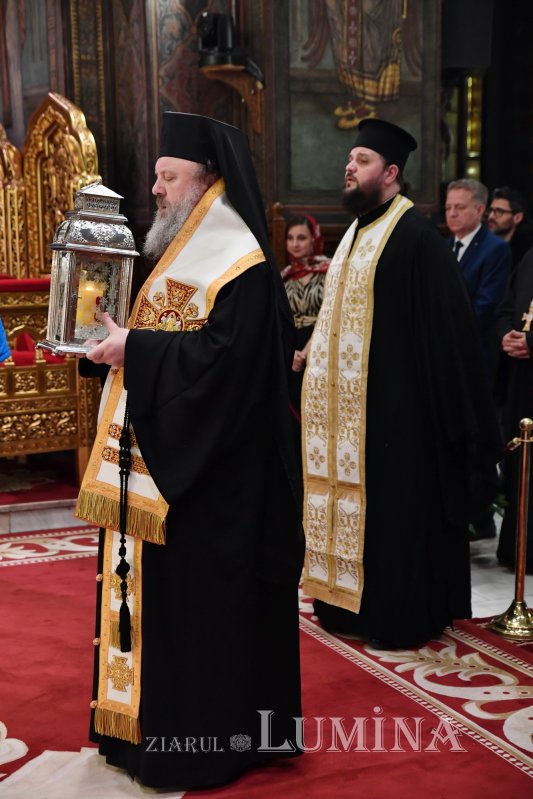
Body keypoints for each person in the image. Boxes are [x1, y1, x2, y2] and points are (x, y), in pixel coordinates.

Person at [76, 112, 304, 791]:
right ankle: (140, 735)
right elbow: (165, 342)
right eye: (157, 176)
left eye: (167, 177)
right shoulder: (181, 253)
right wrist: (109, 348)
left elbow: (226, 370)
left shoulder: (240, 263)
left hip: (214, 486)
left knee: (203, 622)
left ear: (208, 182)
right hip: (166, 465)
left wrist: (138, 351)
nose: (155, 189)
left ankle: (205, 747)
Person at [302, 118, 501, 649]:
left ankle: (397, 615)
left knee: (395, 519)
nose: (349, 167)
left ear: (390, 173)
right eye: (350, 158)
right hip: (347, 420)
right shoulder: (354, 232)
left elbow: (449, 339)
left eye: (362, 160)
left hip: (399, 417)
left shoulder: (415, 238)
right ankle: (344, 605)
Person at [445, 178, 512, 376]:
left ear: (480, 210)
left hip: (474, 351)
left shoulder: (496, 249)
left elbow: (486, 305)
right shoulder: (442, 246)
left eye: (460, 207)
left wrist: (442, 328)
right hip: (442, 350)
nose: (452, 213)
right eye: (448, 207)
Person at [495, 245, 533, 574]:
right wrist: (506, 334)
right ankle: (517, 549)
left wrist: (531, 342)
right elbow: (506, 307)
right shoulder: (530, 257)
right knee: (520, 464)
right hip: (521, 380)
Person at [281, 214, 330, 416]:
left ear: (314, 240)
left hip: (322, 345)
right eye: (290, 238)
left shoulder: (330, 271)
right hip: (290, 350)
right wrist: (288, 353)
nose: (295, 244)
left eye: (302, 238)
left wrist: (308, 351)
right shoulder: (284, 276)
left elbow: (331, 314)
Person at [487, 186, 533, 267]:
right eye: (491, 210)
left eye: (499, 211)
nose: (491, 216)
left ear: (517, 218)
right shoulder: (481, 243)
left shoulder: (526, 254)